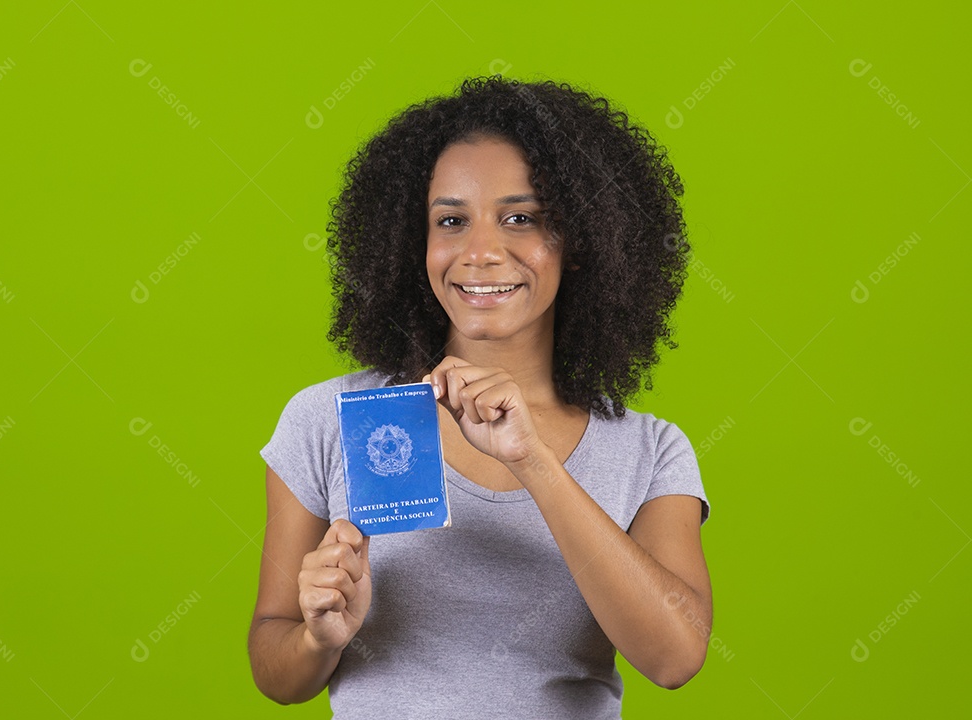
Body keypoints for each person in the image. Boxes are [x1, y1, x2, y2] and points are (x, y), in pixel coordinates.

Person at [249, 75, 712, 719]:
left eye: (521, 218)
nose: (482, 251)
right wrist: (319, 637)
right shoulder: (328, 421)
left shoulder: (650, 449)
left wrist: (532, 459)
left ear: (579, 243)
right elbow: (275, 669)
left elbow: (676, 658)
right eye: (452, 220)